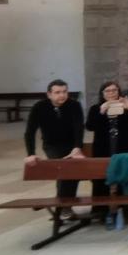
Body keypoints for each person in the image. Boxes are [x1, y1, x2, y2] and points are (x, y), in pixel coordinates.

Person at [23, 79, 85, 220]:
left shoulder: (74, 105)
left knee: (73, 174)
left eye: (64, 92)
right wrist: (31, 153)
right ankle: (64, 207)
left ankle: (64, 206)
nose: (62, 95)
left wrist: (77, 147)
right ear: (49, 94)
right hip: (52, 145)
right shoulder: (39, 107)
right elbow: (30, 132)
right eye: (57, 92)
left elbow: (78, 127)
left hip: (71, 145)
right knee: (64, 170)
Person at [85, 81, 128, 222]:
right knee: (100, 179)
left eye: (114, 90)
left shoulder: (126, 106)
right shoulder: (95, 108)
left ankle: (127, 210)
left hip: (124, 146)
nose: (111, 93)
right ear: (102, 94)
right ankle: (99, 210)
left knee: (125, 177)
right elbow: (90, 126)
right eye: (108, 91)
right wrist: (102, 112)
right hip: (103, 147)